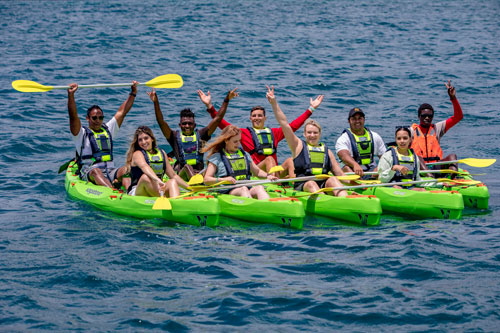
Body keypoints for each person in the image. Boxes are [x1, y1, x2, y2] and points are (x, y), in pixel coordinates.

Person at [201, 89, 321, 177]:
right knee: (269, 159)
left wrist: (311, 109)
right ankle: (275, 190)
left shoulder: (275, 133)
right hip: (256, 171)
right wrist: (209, 106)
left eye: (260, 115)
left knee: (290, 160)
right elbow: (221, 123)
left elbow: (293, 126)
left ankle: (295, 187)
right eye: (254, 116)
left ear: (265, 118)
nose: (257, 118)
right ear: (250, 118)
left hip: (274, 171)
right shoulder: (243, 133)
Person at [266, 86, 349, 197]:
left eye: (315, 133)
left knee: (333, 179)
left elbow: (339, 174)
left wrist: (355, 183)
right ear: (304, 134)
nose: (312, 135)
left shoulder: (327, 151)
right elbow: (284, 123)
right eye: (309, 133)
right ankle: (324, 202)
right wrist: (274, 103)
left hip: (323, 184)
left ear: (319, 134)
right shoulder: (297, 146)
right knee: (311, 183)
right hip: (304, 185)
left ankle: (346, 199)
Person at [149, 88, 239, 181]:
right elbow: (161, 121)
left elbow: (218, 119)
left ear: (194, 125)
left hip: (199, 173)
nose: (187, 126)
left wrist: (226, 99)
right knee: (188, 167)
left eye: (190, 123)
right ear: (180, 125)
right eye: (184, 124)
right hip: (183, 175)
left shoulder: (201, 135)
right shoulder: (174, 136)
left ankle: (202, 180)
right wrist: (156, 102)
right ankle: (196, 183)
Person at [67, 81, 137, 188]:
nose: (97, 120)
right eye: (94, 118)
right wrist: (71, 95)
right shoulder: (81, 134)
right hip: (90, 172)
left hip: (110, 171)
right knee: (96, 171)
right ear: (87, 118)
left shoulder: (108, 130)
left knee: (126, 170)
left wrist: (133, 93)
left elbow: (122, 112)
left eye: (100, 118)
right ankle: (112, 191)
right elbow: (73, 116)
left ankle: (131, 193)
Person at [201, 125, 278, 199]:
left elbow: (257, 172)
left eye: (239, 141)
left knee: (259, 188)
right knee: (243, 189)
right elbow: (206, 180)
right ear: (226, 141)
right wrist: (223, 180)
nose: (238, 144)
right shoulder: (217, 158)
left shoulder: (245, 155)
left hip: (246, 188)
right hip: (227, 191)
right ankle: (252, 207)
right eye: (235, 141)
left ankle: (267, 206)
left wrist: (268, 176)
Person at [410, 80, 463, 175]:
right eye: (424, 115)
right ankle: (430, 177)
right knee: (417, 157)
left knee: (452, 156)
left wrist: (453, 98)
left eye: (430, 116)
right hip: (419, 167)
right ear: (419, 116)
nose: (427, 118)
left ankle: (452, 179)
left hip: (436, 167)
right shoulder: (411, 131)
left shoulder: (437, 128)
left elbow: (458, 117)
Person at [124, 126, 188, 197]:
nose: (143, 142)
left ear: (152, 139)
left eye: (146, 138)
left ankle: (176, 203)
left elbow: (173, 175)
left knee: (172, 181)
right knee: (145, 177)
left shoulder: (162, 153)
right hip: (139, 191)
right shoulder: (137, 154)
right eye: (140, 140)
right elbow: (144, 167)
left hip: (157, 188)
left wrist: (189, 187)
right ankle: (163, 197)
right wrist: (157, 180)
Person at [336, 107, 386, 178]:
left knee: (384, 166)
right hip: (352, 171)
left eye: (360, 118)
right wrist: (355, 164)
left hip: (371, 171)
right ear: (349, 121)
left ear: (364, 120)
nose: (357, 121)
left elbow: (384, 157)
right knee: (345, 167)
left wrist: (380, 168)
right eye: (354, 119)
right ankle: (358, 185)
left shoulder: (375, 136)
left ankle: (372, 181)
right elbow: (343, 155)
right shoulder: (343, 138)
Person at [377, 127, 425, 191]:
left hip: (409, 188)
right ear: (396, 140)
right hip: (392, 188)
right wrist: (394, 168)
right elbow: (382, 179)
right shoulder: (388, 156)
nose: (402, 141)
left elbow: (417, 179)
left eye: (405, 138)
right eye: (399, 138)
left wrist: (439, 183)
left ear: (410, 139)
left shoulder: (415, 157)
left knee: (422, 190)